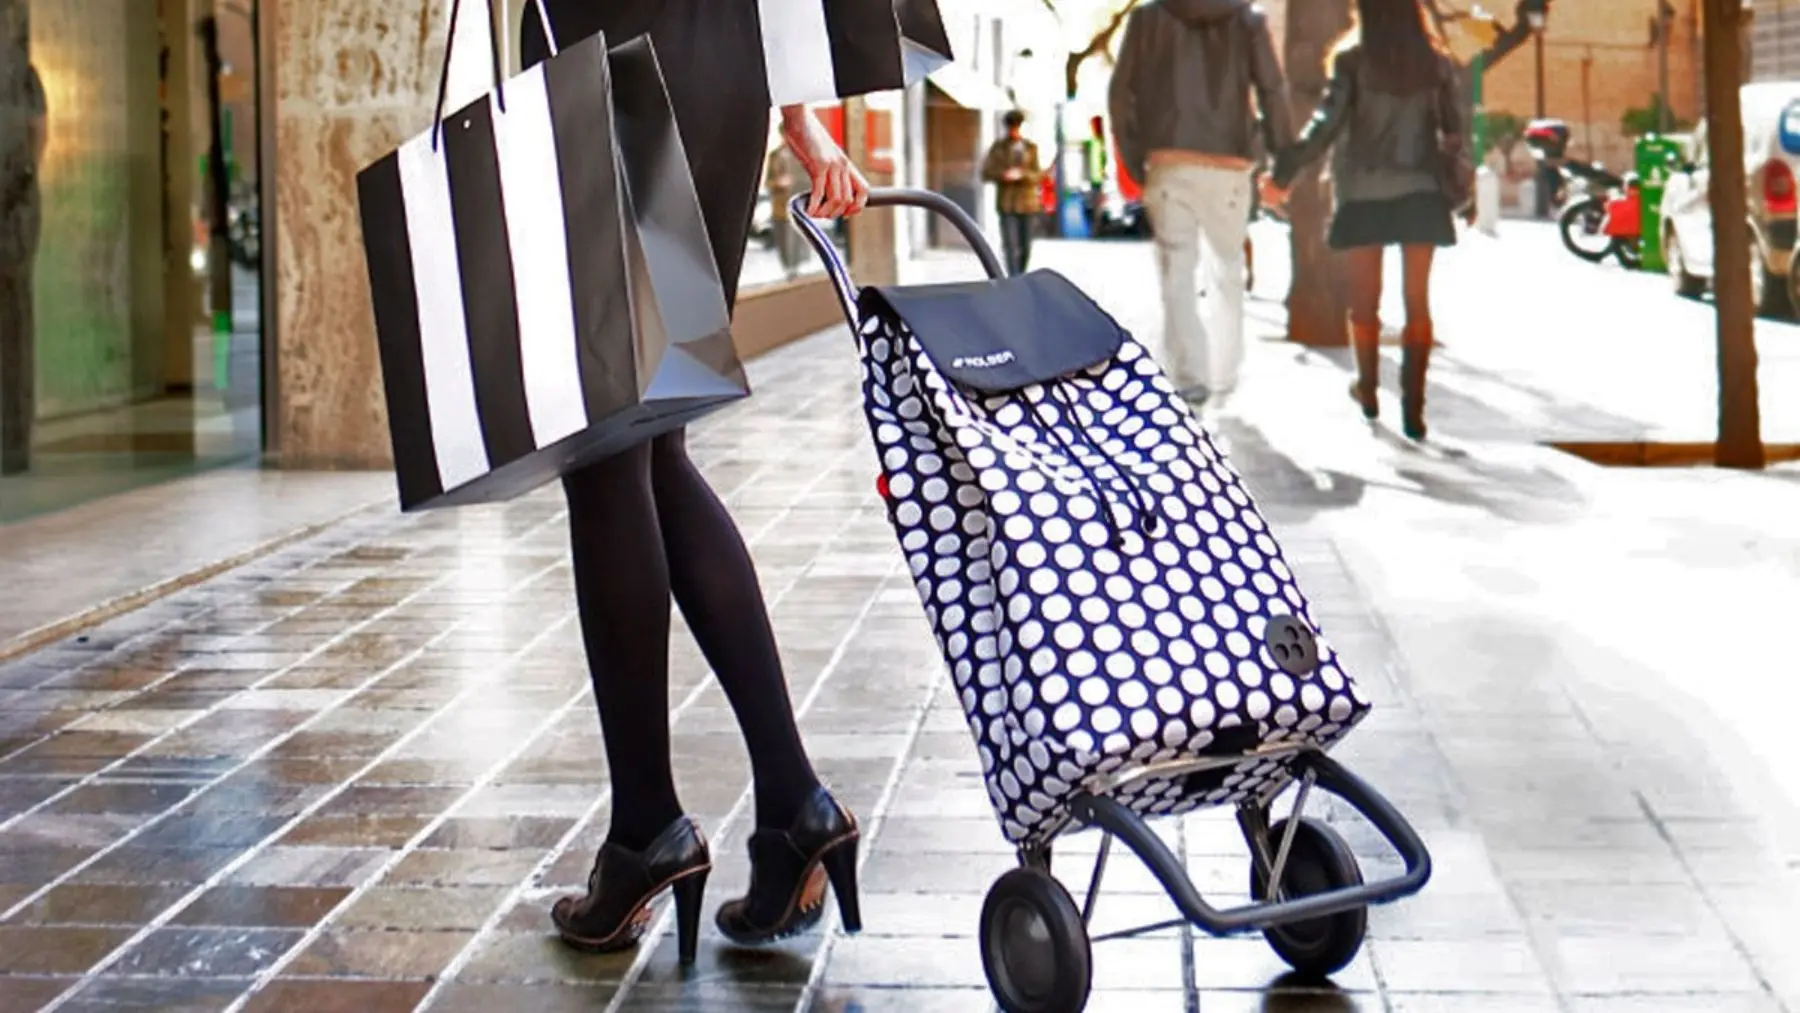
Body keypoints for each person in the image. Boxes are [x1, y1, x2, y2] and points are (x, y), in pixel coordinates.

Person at [520, 0, 868, 966]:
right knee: (653, 440)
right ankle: (793, 798)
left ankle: (645, 832)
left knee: (607, 453)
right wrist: (796, 107)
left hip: (602, 64)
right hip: (722, 75)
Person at [1267, 0, 1470, 441]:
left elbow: (1326, 124)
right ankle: (1414, 412)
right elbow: (1455, 131)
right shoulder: (1435, 63)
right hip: (1421, 191)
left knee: (1364, 303)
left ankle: (1369, 390)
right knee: (1418, 302)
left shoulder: (1351, 61)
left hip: (1362, 194)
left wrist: (1284, 174)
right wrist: (1462, 186)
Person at [1109, 0, 1293, 404]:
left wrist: (1139, 158)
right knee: (1227, 269)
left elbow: (1121, 94)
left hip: (1168, 160)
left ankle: (1190, 376)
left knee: (1177, 272)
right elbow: (1272, 90)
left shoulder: (1146, 19)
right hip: (1229, 164)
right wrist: (1284, 163)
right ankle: (1225, 374)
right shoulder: (1249, 20)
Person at [0, 16, 43, 477]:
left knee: (13, 318)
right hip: (17, 196)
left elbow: (39, 132)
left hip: (14, 204)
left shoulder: (22, 74)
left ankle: (13, 441)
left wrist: (26, 182)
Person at [980, 109, 1043, 276]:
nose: (1014, 131)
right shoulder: (998, 148)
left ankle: (1021, 273)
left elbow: (1038, 174)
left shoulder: (1031, 148)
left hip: (1028, 204)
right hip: (1007, 204)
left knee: (1026, 245)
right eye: (1011, 127)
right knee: (1010, 244)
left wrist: (1023, 175)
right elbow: (986, 173)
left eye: (1017, 127)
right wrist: (1003, 175)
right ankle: (1013, 277)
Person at [764, 136, 807, 279]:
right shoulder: (775, 155)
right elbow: (768, 183)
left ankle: (795, 267)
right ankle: (788, 268)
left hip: (797, 204)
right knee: (783, 238)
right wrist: (778, 183)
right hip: (780, 205)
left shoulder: (802, 155)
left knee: (795, 238)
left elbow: (807, 180)